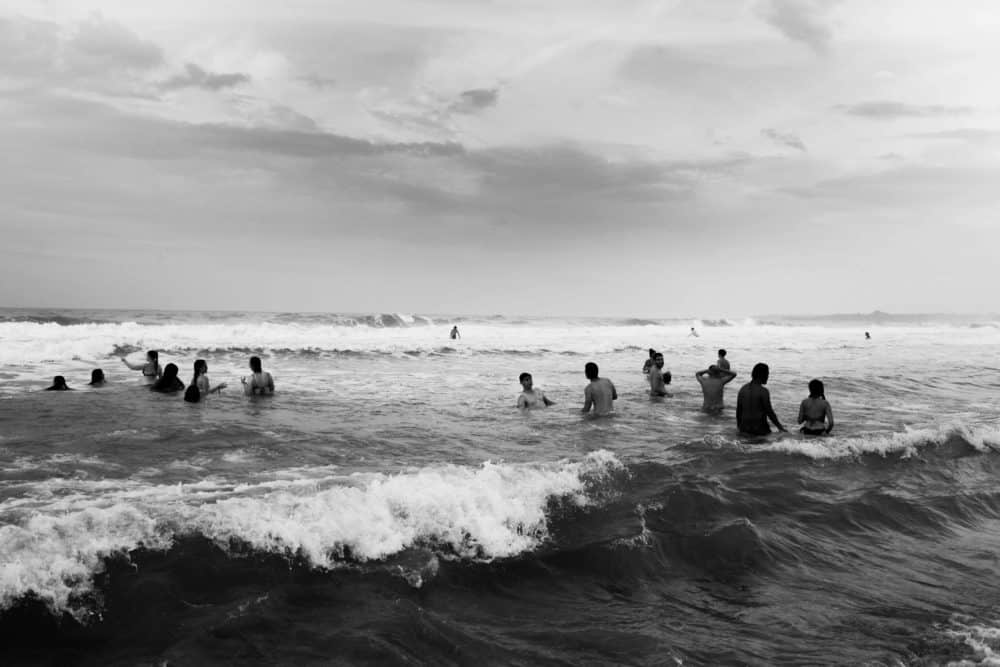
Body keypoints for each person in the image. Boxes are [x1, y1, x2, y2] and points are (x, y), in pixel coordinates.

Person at [736, 363, 786, 436]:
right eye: (767, 374)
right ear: (762, 375)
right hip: (760, 430)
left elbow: (738, 412)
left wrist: (739, 428)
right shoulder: (763, 391)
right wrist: (780, 427)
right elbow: (769, 412)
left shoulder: (742, 389)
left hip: (744, 430)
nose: (768, 377)